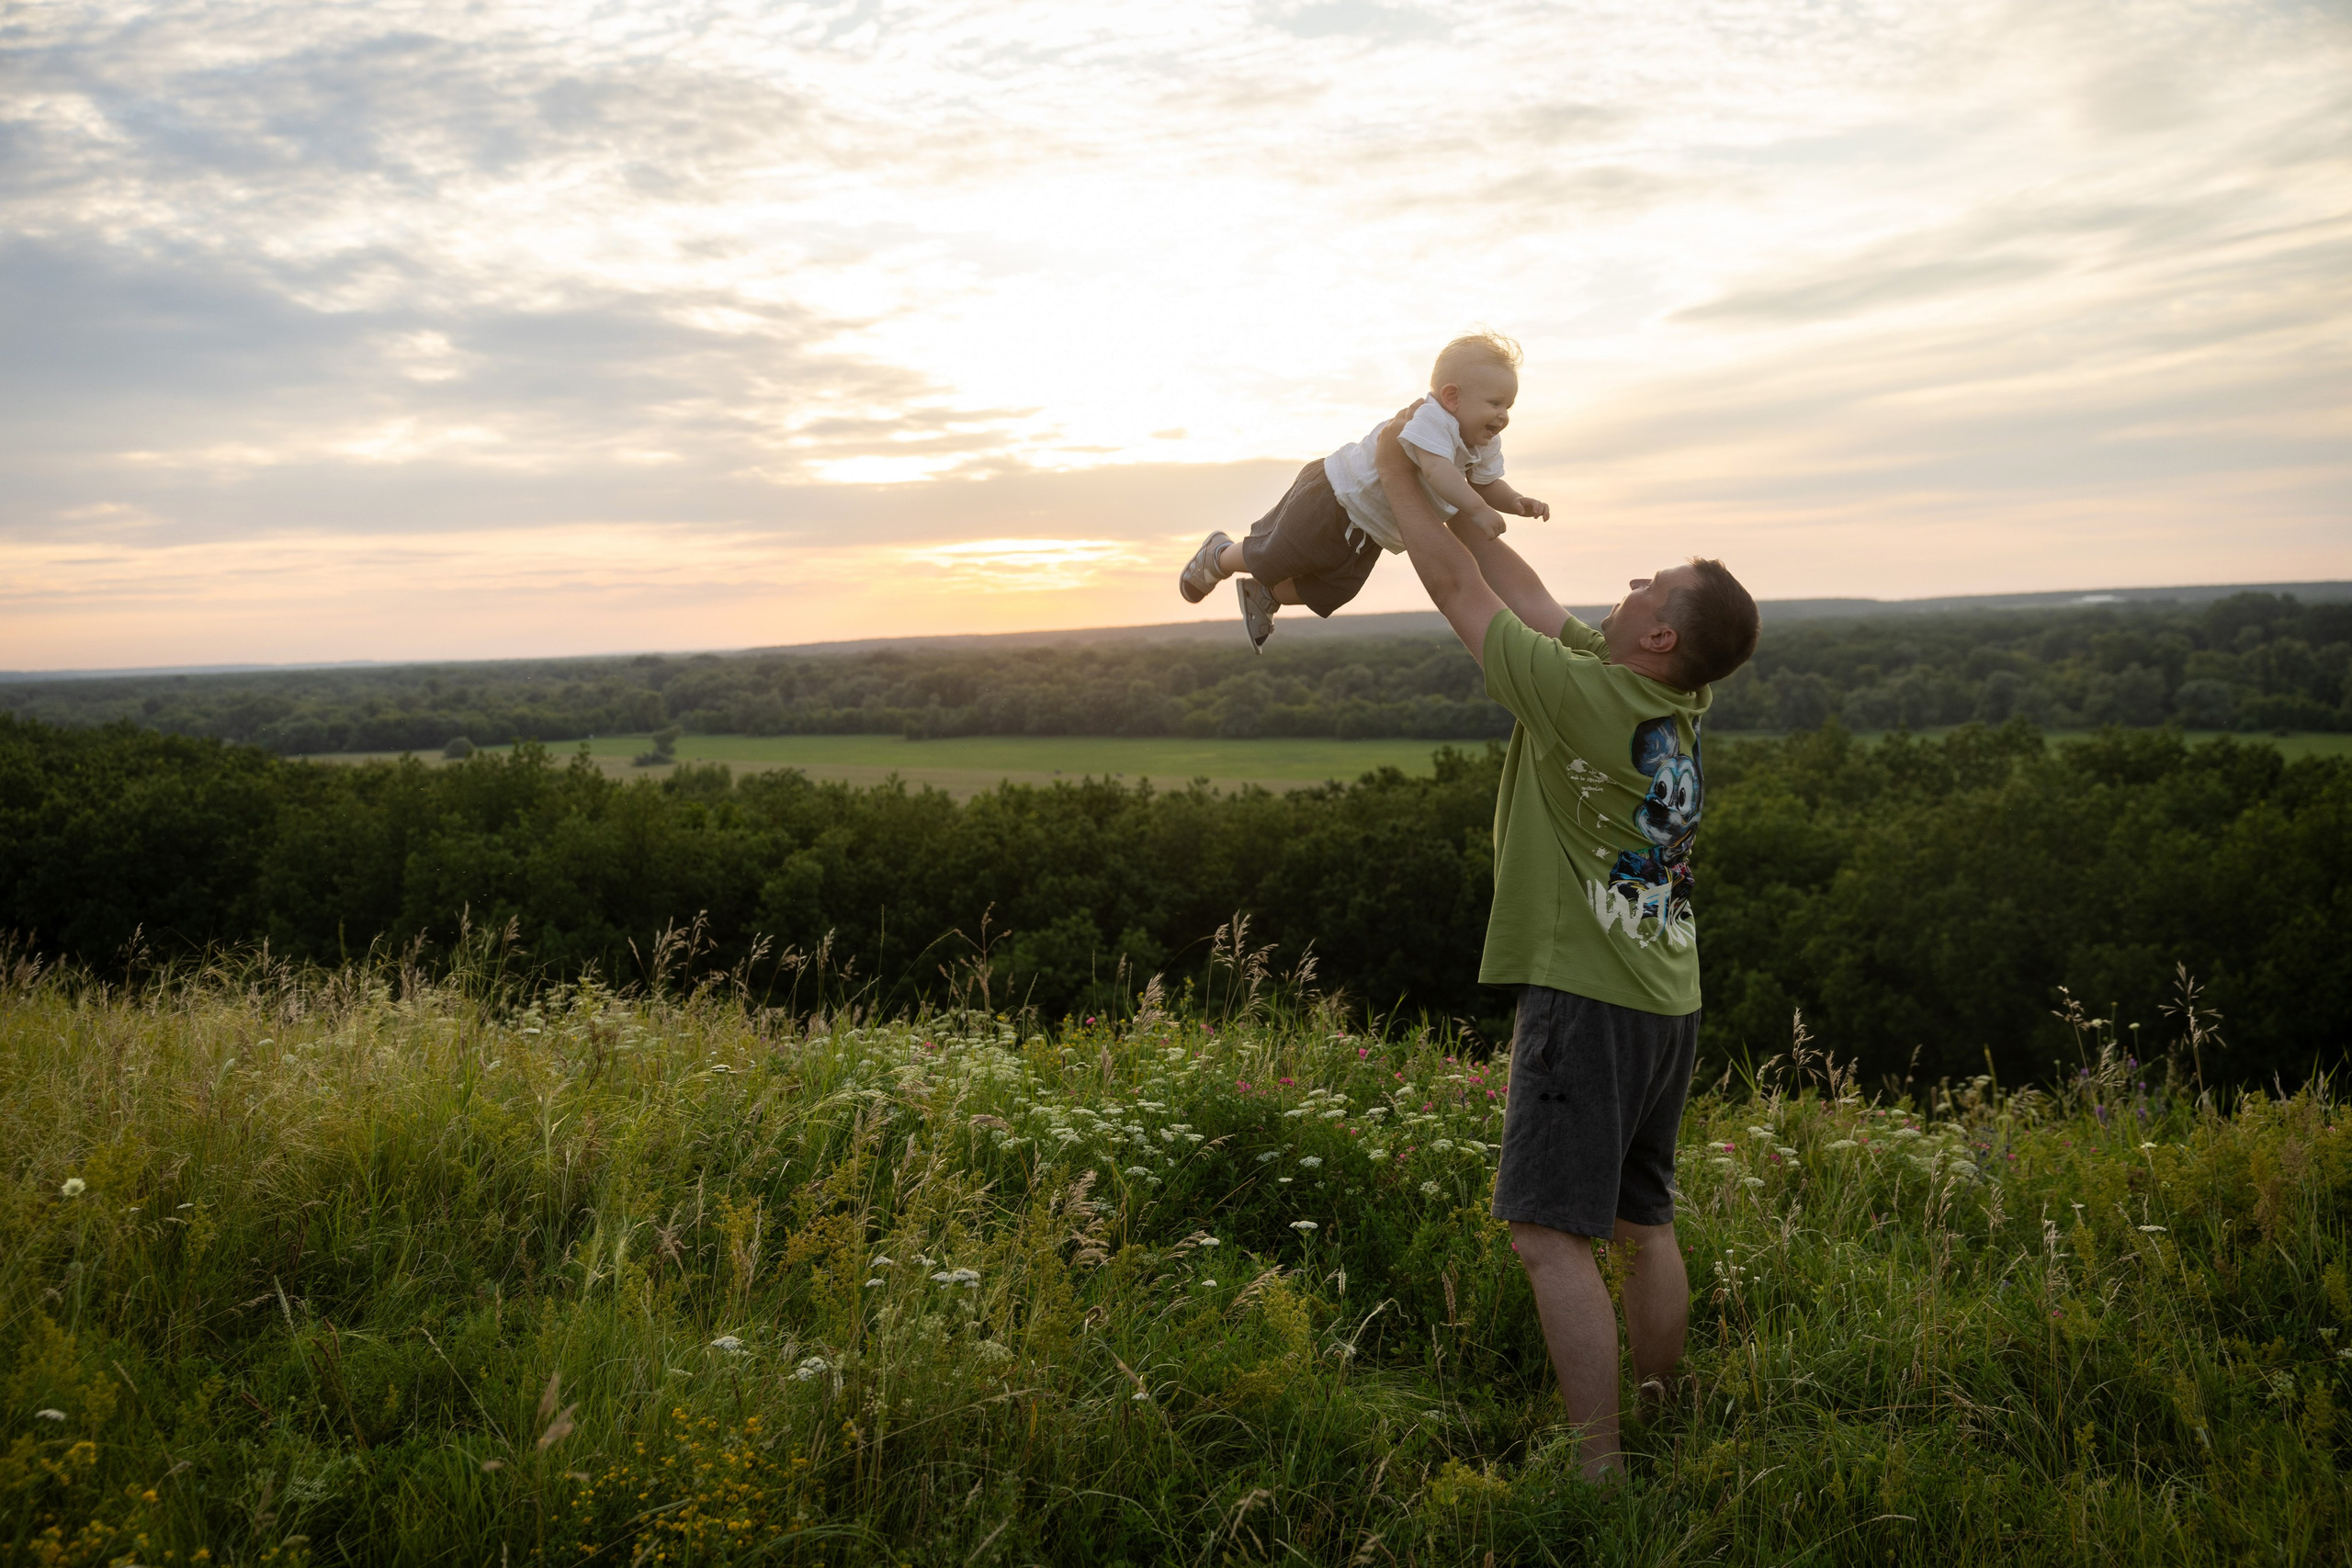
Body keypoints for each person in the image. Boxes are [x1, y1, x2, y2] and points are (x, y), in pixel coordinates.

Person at [1369, 402, 1758, 1482]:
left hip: (1587, 999)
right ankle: (1658, 1415)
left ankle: (1596, 1471)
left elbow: (1460, 591)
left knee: (1548, 1234)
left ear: (1660, 635)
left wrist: (1384, 468)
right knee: (1643, 1221)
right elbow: (1524, 589)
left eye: (1648, 586)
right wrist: (1454, 487)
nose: (1629, 585)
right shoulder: (1671, 704)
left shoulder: (1586, 701)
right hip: (1664, 998)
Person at [1175, 333, 1550, 650]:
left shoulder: (1482, 444)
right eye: (1495, 403)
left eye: (1509, 406)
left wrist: (1516, 501)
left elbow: (1487, 483)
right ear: (1452, 397)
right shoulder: (1432, 420)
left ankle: (1265, 595)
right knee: (1276, 555)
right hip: (1336, 497)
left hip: (1372, 530)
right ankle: (1219, 555)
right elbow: (1438, 472)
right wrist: (1478, 510)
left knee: (1333, 592)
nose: (1503, 416)